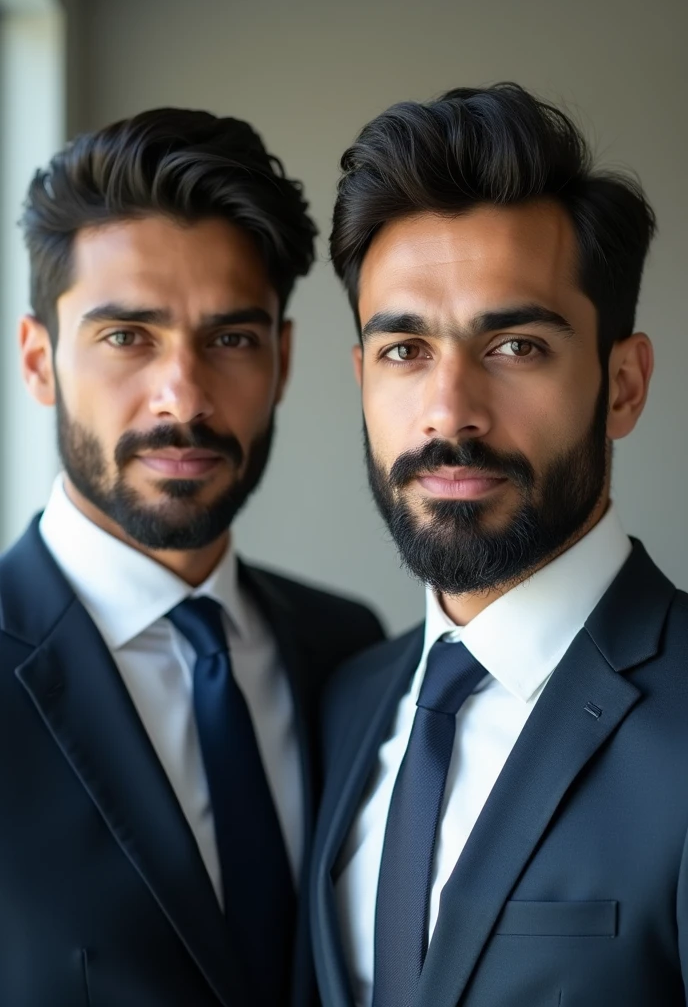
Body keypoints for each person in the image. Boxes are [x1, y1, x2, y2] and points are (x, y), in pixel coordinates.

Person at [311, 82, 688, 1007]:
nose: (449, 413)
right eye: (405, 351)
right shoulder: (348, 700)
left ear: (624, 385)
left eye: (515, 346)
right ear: (361, 379)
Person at [0, 108, 384, 1007]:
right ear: (39, 360)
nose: (184, 395)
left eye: (232, 338)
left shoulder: (348, 652)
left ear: (282, 361)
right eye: (127, 337)